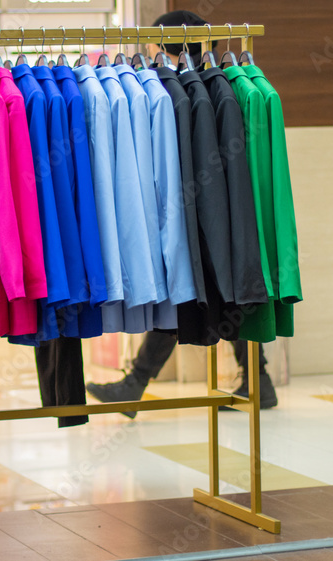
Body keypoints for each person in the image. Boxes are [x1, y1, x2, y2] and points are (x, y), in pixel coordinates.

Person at [85, 10, 279, 417]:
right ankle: (254, 379)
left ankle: (138, 383)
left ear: (164, 44)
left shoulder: (188, 91)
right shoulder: (197, 87)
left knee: (193, 286)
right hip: (210, 202)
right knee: (200, 289)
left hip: (194, 202)